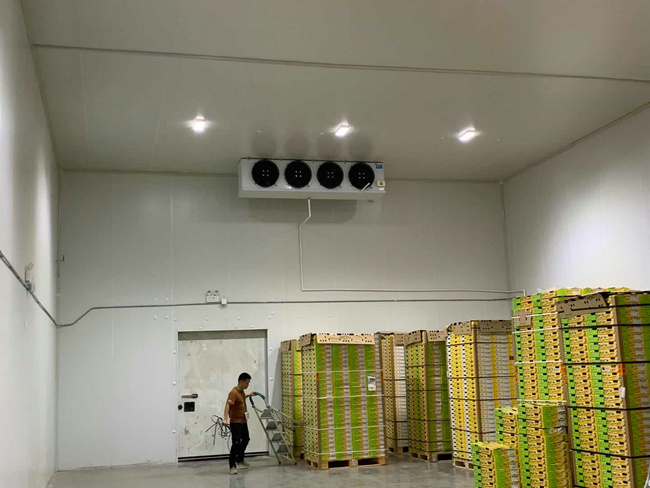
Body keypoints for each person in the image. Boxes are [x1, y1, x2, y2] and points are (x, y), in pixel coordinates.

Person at [223, 372, 257, 475]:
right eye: (247, 383)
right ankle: (232, 465)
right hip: (235, 422)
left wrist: (248, 395)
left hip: (243, 421)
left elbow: (240, 399)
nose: (248, 385)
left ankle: (240, 459)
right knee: (236, 443)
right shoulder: (233, 392)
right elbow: (228, 405)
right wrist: (225, 419)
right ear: (241, 381)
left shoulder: (241, 391)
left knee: (246, 439)